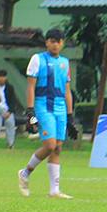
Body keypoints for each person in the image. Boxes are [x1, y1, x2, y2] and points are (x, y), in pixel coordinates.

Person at [17, 28, 79, 199]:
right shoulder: (37, 59)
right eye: (52, 41)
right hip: (43, 105)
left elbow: (67, 91)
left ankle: (55, 190)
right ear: (47, 42)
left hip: (60, 107)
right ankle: (25, 174)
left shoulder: (65, 63)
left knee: (57, 148)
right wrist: (30, 112)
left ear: (63, 43)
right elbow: (30, 86)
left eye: (59, 41)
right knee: (50, 145)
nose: (56, 44)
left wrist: (70, 115)